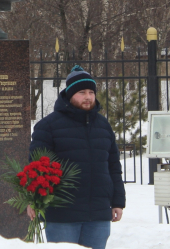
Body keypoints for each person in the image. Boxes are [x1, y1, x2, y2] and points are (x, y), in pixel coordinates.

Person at [28, 65, 125, 249]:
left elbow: (113, 166)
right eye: (82, 92)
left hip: (98, 215)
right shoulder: (48, 126)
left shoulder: (103, 126)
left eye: (91, 92)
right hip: (63, 215)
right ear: (69, 95)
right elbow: (37, 167)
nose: (88, 97)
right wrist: (34, 200)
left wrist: (117, 202)